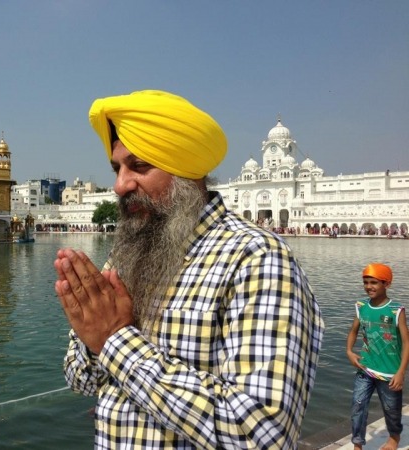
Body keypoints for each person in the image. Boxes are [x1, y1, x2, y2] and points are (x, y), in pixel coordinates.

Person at [54, 90, 324, 449]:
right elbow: (80, 380)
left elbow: (259, 435)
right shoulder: (128, 256)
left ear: (186, 170)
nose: (120, 184)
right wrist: (92, 335)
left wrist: (115, 341)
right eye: (117, 168)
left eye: (140, 166)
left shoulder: (255, 259)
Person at [346, 263, 409, 450]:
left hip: (390, 372)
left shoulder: (396, 310)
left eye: (374, 282)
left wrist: (401, 372)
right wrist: (349, 351)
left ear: (386, 284)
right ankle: (357, 443)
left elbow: (407, 342)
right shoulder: (361, 306)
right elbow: (353, 331)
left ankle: (394, 437)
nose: (368, 286)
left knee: (391, 409)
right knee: (357, 405)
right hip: (365, 368)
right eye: (365, 282)